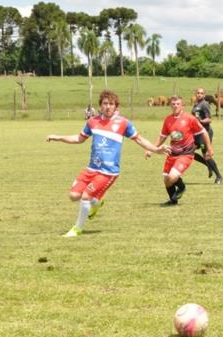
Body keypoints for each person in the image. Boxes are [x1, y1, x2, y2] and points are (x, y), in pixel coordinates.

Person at [46, 90, 167, 237]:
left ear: (116, 106)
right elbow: (79, 138)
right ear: (100, 106)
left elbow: (140, 139)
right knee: (73, 196)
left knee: (85, 197)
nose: (108, 106)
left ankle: (77, 229)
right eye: (105, 103)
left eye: (111, 104)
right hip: (91, 168)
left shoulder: (123, 123)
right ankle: (97, 202)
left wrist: (156, 149)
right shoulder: (92, 122)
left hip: (108, 171)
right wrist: (58, 137)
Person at [146, 95, 213, 207]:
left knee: (172, 177)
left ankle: (181, 187)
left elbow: (204, 132)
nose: (175, 106)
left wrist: (209, 148)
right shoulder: (168, 120)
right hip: (172, 153)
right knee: (167, 180)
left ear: (182, 105)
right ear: (170, 105)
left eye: (178, 104)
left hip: (186, 154)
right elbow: (162, 136)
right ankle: (173, 201)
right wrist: (151, 149)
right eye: (173, 104)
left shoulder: (190, 118)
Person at [191, 88, 223, 184]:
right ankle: (208, 165)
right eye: (198, 93)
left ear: (204, 95)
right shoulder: (196, 104)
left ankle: (219, 177)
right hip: (196, 134)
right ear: (195, 94)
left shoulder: (204, 104)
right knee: (189, 151)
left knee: (206, 155)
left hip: (205, 133)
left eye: (201, 93)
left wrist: (200, 121)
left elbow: (209, 119)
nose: (199, 95)